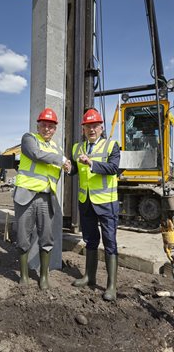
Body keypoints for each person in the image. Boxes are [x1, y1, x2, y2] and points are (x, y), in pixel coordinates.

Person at [64, 108, 120, 301]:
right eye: (88, 126)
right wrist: (68, 168)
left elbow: (113, 168)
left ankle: (111, 286)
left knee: (110, 242)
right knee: (90, 240)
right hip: (85, 202)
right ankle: (89, 276)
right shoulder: (77, 148)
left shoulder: (111, 145)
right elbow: (74, 171)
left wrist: (91, 163)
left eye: (95, 126)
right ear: (83, 129)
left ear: (101, 127)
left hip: (106, 203)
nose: (91, 130)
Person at [13, 108, 67, 290]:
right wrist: (61, 159)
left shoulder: (56, 148)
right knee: (23, 236)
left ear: (55, 129)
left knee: (46, 237)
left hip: (46, 198)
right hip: (25, 195)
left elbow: (67, 167)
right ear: (38, 125)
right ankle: (24, 276)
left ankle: (44, 277)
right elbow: (36, 154)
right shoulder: (29, 139)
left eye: (51, 126)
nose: (47, 129)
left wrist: (70, 165)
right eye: (44, 125)